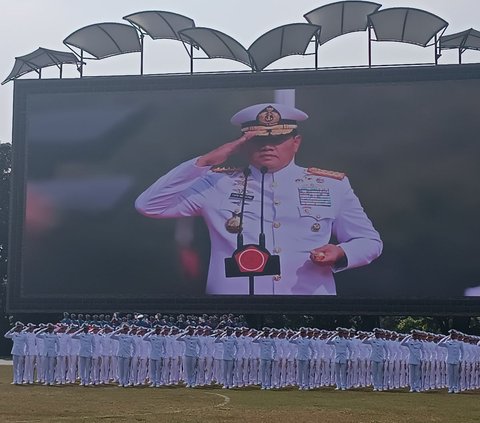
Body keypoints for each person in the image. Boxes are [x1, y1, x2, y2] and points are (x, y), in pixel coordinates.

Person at [135, 103, 383, 295]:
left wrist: (340, 251)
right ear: (243, 144)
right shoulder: (216, 183)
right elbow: (149, 205)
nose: (268, 146)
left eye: (277, 139)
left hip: (307, 304)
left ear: (296, 143)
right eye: (259, 140)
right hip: (233, 309)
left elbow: (369, 241)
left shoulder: (330, 185)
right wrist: (204, 162)